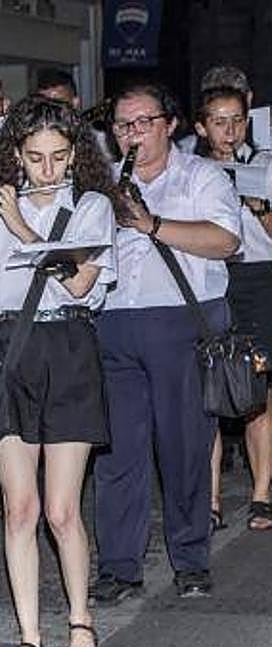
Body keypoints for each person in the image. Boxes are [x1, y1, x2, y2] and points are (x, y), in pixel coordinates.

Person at [0, 96, 119, 647]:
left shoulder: (93, 207)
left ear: (75, 156)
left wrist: (23, 225)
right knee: (18, 509)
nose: (47, 169)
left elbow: (77, 284)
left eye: (58, 157)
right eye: (35, 158)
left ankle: (80, 619)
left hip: (69, 350)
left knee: (61, 508)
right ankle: (28, 637)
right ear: (16, 158)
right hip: (11, 352)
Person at [94, 82, 241, 604]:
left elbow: (226, 241)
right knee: (117, 452)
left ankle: (192, 558)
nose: (131, 135)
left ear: (168, 124)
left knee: (183, 447)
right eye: (121, 126)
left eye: (141, 123)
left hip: (181, 324)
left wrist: (151, 223)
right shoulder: (104, 181)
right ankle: (118, 565)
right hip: (113, 322)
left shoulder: (200, 176)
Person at [194, 86, 272, 531]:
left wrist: (260, 208)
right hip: (211, 279)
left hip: (259, 279)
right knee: (208, 391)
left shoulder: (265, 164)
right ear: (202, 126)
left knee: (257, 392)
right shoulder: (192, 169)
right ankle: (211, 499)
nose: (230, 130)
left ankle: (261, 494)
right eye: (219, 121)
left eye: (238, 120)